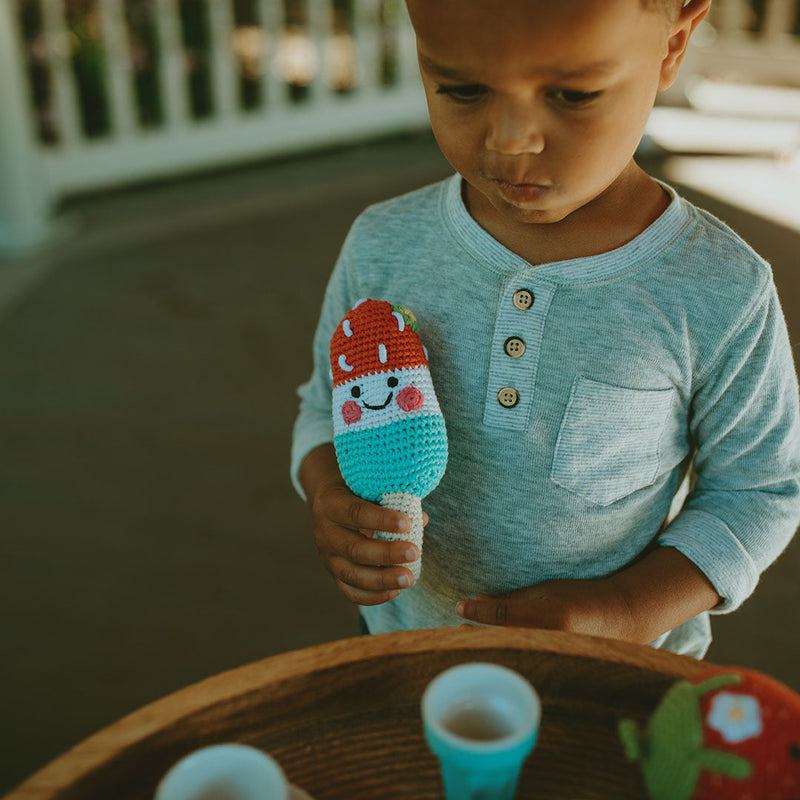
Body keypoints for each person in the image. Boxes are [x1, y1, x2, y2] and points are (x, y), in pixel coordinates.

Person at [290, 0, 800, 657]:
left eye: (572, 93)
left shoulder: (719, 288)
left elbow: (758, 491)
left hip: (616, 668)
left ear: (673, 46)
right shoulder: (384, 246)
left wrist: (625, 610)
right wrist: (329, 487)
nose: (509, 140)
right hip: (408, 643)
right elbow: (322, 406)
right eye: (462, 88)